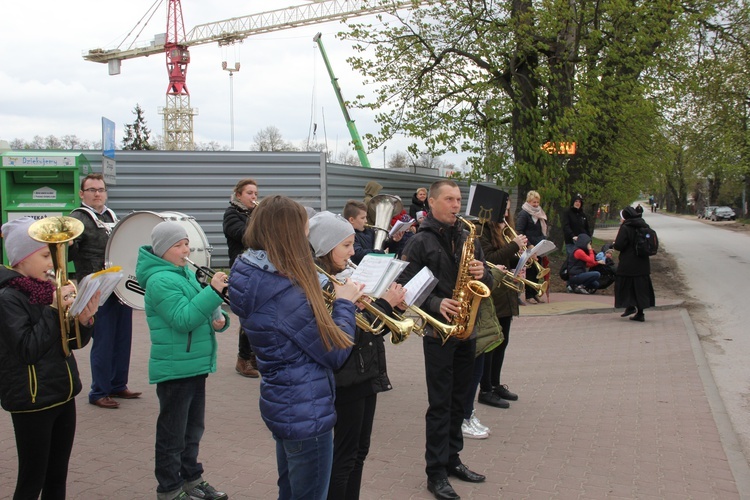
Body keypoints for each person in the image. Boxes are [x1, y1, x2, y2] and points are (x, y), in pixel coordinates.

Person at [228, 196, 363, 500]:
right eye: (303, 230)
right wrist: (344, 304)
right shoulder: (284, 293)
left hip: (284, 400)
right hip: (305, 410)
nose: (307, 237)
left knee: (290, 491)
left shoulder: (253, 272)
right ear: (288, 234)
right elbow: (336, 353)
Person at [397, 180, 492, 500]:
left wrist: (483, 272)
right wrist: (437, 303)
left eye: (459, 199)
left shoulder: (468, 237)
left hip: (467, 329)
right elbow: (404, 287)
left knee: (460, 400)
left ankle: (453, 459)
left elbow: (488, 280)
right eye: (449, 199)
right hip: (438, 332)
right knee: (440, 404)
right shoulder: (419, 241)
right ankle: (435, 472)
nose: (456, 205)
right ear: (433, 203)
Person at [0, 217, 100, 499]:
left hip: (62, 393)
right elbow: (27, 349)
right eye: (45, 255)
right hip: (32, 400)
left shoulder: (48, 291)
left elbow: (73, 344)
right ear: (21, 259)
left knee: (57, 477)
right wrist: (52, 310)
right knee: (32, 481)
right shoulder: (8, 298)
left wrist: (84, 319)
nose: (53, 262)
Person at [308, 211, 405, 500]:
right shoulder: (322, 284)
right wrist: (384, 306)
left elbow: (371, 330)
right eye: (346, 246)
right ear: (325, 248)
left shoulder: (345, 277)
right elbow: (342, 336)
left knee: (360, 450)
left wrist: (392, 310)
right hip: (345, 378)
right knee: (345, 456)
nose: (353, 252)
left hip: (365, 372)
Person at [136, 221, 231, 500]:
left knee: (192, 431)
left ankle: (192, 479)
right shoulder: (160, 280)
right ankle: (169, 488)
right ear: (163, 249)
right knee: (172, 435)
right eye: (178, 245)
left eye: (186, 243)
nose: (186, 249)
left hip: (194, 364)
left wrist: (220, 319)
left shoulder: (183, 273)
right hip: (175, 368)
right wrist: (212, 292)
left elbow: (201, 310)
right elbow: (182, 319)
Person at [68, 173, 140, 409]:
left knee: (122, 338)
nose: (97, 193)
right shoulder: (77, 219)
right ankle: (99, 391)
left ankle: (118, 384)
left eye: (101, 189)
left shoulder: (111, 215)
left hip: (118, 286)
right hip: (96, 287)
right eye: (92, 190)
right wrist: (67, 243)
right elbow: (69, 255)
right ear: (82, 194)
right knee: (104, 340)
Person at [477, 202, 525, 411]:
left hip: (506, 293)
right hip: (492, 294)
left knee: (502, 341)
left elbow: (507, 258)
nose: (506, 214)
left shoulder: (504, 230)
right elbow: (489, 259)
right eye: (502, 209)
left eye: (507, 210)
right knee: (490, 343)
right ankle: (485, 389)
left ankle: (495, 384)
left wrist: (522, 261)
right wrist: (514, 245)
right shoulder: (481, 231)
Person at [223, 178, 260, 378]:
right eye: (249, 193)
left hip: (257, 269)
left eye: (255, 193)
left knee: (258, 314)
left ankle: (254, 357)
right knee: (248, 315)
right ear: (238, 195)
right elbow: (242, 234)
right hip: (242, 269)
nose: (254, 197)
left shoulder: (254, 214)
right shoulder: (231, 214)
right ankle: (242, 359)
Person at [613, 206, 655, 322]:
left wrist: (614, 245)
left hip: (628, 263)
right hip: (642, 263)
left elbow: (619, 245)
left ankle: (629, 306)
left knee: (626, 285)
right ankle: (640, 313)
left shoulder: (626, 227)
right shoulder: (643, 225)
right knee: (640, 288)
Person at [344, 200, 405, 264]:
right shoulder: (350, 236)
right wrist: (382, 253)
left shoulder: (370, 232)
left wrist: (394, 241)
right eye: (362, 218)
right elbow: (358, 254)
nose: (366, 221)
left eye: (366, 217)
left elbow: (387, 249)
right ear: (352, 220)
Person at [515, 190, 549, 304]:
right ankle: (529, 295)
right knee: (530, 271)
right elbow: (519, 230)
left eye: (537, 202)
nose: (536, 205)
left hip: (539, 246)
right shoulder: (524, 214)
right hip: (529, 246)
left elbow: (541, 230)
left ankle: (535, 293)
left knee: (537, 271)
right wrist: (528, 244)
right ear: (528, 202)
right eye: (533, 202)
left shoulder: (540, 214)